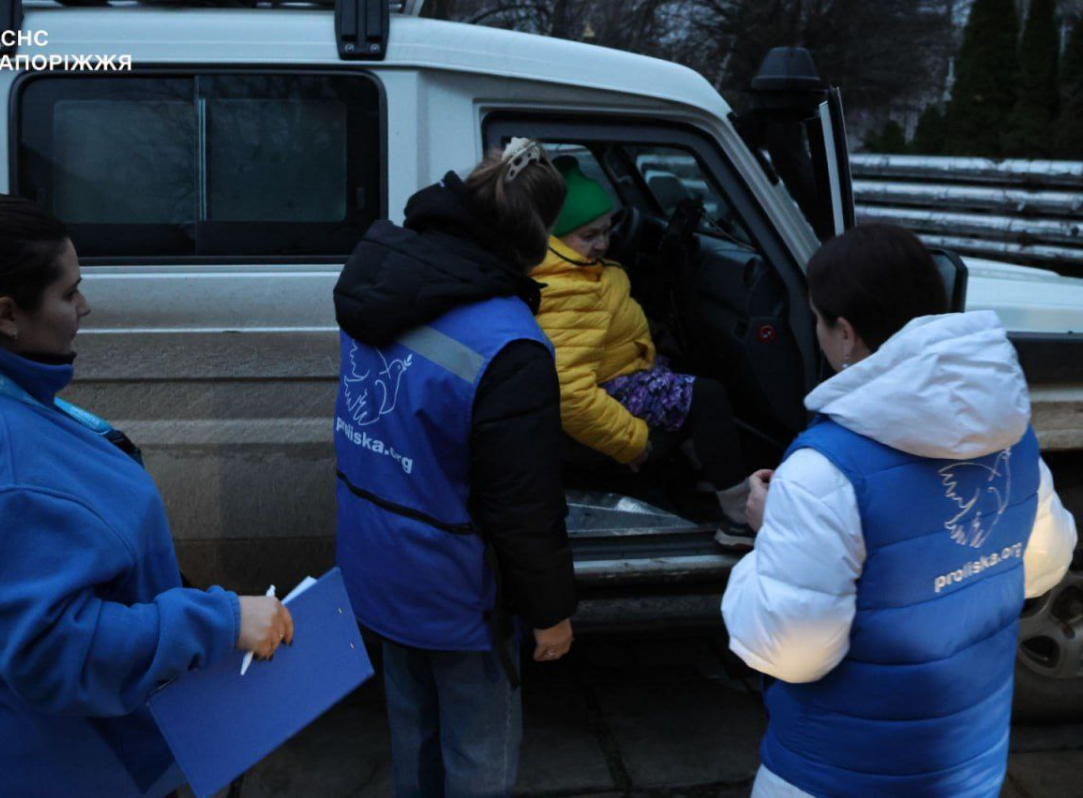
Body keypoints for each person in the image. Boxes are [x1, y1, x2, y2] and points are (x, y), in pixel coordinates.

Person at [0, 195, 294, 797]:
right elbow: (55, 652)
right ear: (5, 315)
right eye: (68, 292)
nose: (84, 306)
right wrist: (219, 621)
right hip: (82, 767)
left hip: (7, 744)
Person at [721, 223, 1078, 797]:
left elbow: (791, 652)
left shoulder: (821, 472)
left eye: (817, 319)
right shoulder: (1013, 434)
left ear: (844, 334)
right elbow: (1042, 568)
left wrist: (770, 536)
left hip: (834, 775)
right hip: (969, 766)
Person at [333, 139, 576, 797]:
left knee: (412, 729)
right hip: (456, 590)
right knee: (477, 751)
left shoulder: (379, 278)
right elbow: (521, 505)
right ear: (536, 236)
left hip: (375, 559)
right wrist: (550, 610)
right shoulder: (510, 343)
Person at [531, 155, 754, 548]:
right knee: (708, 397)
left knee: (686, 369)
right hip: (611, 389)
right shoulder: (566, 291)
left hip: (622, 372)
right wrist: (631, 442)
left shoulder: (583, 270)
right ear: (553, 236)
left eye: (608, 230)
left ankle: (699, 471)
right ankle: (739, 516)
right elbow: (570, 392)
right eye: (589, 235)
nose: (603, 243)